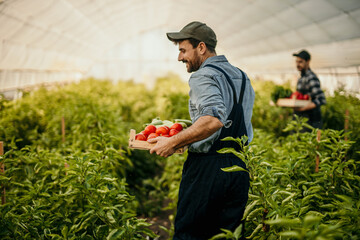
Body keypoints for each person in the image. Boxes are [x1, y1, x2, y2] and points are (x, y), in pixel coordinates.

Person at [148, 21, 255, 239]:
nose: (180, 58)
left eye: (183, 50)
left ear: (202, 47)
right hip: (239, 167)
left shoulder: (203, 76)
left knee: (191, 233)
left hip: (209, 169)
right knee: (228, 233)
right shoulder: (242, 76)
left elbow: (213, 120)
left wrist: (172, 141)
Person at [292, 50, 326, 130]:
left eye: (300, 62)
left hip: (311, 120)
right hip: (301, 118)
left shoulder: (311, 77)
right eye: (297, 62)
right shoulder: (301, 78)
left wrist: (303, 108)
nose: (298, 64)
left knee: (308, 141)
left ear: (308, 61)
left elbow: (321, 99)